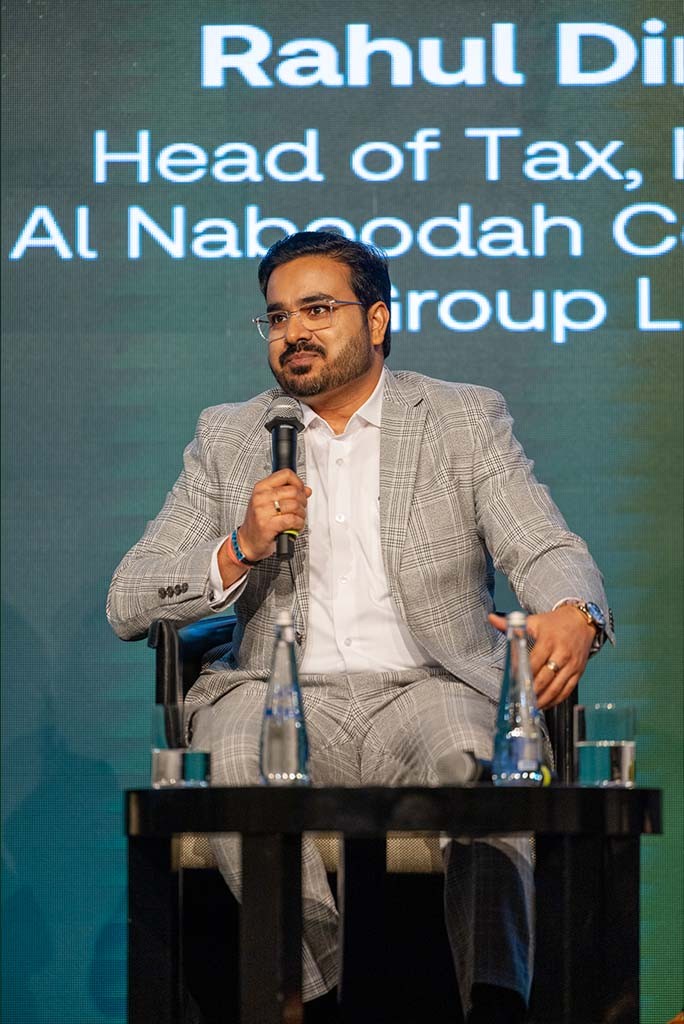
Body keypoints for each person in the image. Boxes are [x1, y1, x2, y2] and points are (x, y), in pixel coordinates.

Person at [107, 231, 612, 1023]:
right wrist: (239, 548)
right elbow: (128, 600)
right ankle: (313, 998)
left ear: (376, 321)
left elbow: (544, 545)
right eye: (277, 317)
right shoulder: (230, 435)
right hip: (277, 691)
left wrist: (577, 614)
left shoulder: (461, 417)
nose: (293, 333)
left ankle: (493, 1003)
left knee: (483, 764)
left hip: (430, 684)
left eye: (317, 310)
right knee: (233, 758)